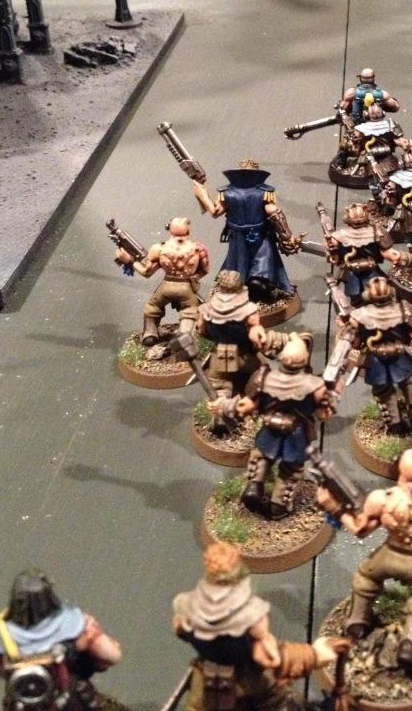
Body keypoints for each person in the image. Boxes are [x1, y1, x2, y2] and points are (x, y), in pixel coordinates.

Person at [171, 542, 346, 711]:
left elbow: (273, 654)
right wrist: (313, 655)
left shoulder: (192, 613)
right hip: (215, 681)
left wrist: (312, 655)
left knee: (272, 705)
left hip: (245, 673)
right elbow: (271, 655)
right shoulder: (197, 615)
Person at [317, 447, 412, 676]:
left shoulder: (382, 499)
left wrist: (333, 507)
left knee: (366, 578)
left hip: (389, 554)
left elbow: (360, 529)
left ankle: (357, 621)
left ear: (399, 468)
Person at [0, 570, 131, 711]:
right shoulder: (77, 626)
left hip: (25, 694)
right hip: (71, 689)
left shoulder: (2, 635)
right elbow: (112, 656)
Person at [209, 333, 339, 518]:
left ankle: (255, 484)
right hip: (297, 434)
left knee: (261, 457)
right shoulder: (316, 387)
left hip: (270, 428)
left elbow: (246, 405)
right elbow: (322, 414)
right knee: (291, 470)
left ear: (282, 358)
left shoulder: (264, 379)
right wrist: (333, 396)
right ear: (304, 360)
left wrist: (223, 405)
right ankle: (279, 504)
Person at [337, 276, 412, 434]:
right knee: (410, 382)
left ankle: (395, 421)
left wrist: (344, 326)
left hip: (376, 361)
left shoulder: (358, 316)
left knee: (385, 392)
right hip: (398, 357)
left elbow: (354, 343)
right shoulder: (403, 311)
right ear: (391, 293)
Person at [193, 159, 301, 304]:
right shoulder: (264, 192)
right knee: (261, 259)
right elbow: (273, 211)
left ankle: (255, 283)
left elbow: (215, 212)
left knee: (244, 261)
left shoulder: (227, 193)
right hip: (257, 235)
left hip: (244, 235)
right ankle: (255, 282)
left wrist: (203, 195)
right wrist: (287, 235)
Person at [195, 270, 288, 436]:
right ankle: (255, 404)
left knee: (220, 385)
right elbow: (255, 331)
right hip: (245, 355)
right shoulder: (249, 310)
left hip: (221, 355)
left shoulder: (206, 310)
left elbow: (201, 330)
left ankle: (222, 415)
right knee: (260, 376)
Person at [115, 216, 208, 346]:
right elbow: (205, 270)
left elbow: (146, 272)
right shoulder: (199, 249)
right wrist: (194, 279)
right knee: (190, 311)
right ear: (188, 230)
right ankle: (185, 334)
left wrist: (130, 261)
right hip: (187, 288)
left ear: (169, 229)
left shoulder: (159, 249)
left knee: (153, 308)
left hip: (167, 286)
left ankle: (150, 333)